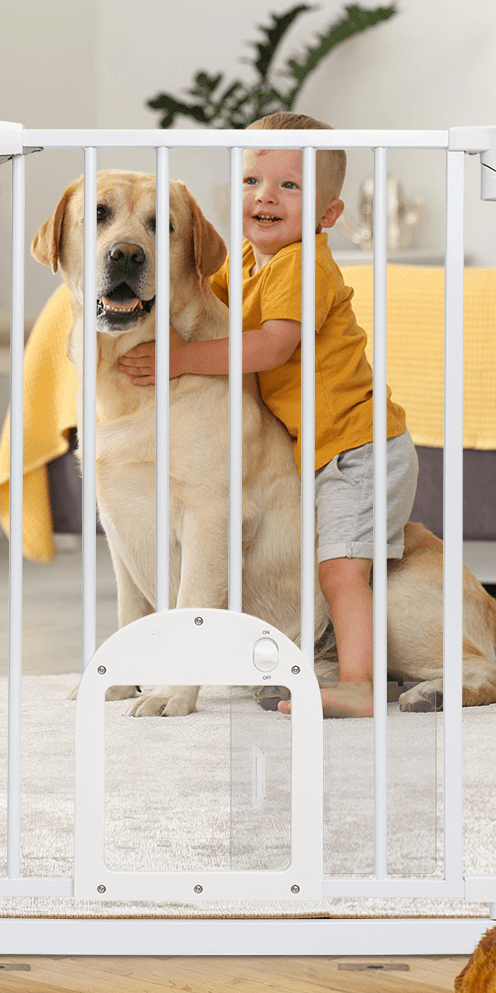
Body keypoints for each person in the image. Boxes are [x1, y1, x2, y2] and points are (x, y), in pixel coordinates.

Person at [118, 112, 417, 718]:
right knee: (332, 563)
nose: (266, 197)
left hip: (358, 446)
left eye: (290, 186)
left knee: (340, 570)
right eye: (254, 180)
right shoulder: (252, 263)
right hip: (323, 445)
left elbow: (272, 346)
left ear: (328, 214)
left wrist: (181, 360)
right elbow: (204, 296)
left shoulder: (302, 264)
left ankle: (359, 685)